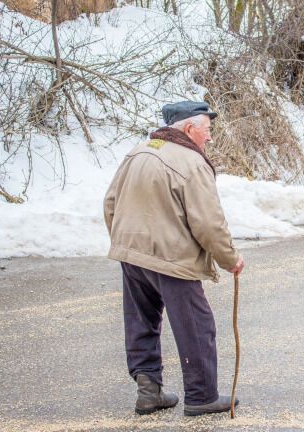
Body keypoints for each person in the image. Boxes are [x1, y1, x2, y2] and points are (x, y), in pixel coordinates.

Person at [103, 101, 245, 416]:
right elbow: (208, 222)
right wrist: (229, 258)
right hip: (171, 257)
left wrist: (125, 241)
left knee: (142, 321)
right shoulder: (191, 162)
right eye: (207, 130)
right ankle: (202, 396)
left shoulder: (138, 152)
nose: (209, 138)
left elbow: (110, 202)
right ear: (190, 128)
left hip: (132, 253)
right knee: (196, 325)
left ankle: (149, 392)